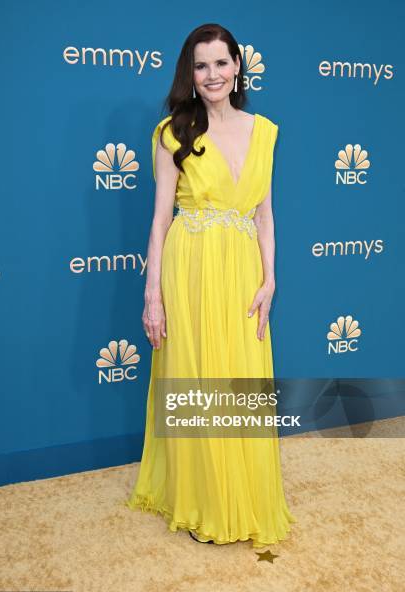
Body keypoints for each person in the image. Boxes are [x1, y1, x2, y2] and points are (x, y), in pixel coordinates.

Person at [125, 23, 297, 548]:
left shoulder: (264, 130)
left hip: (242, 269)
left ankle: (239, 495)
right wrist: (152, 295)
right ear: (190, 73)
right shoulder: (172, 132)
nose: (212, 75)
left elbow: (265, 215)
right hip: (192, 266)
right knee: (196, 377)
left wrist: (270, 280)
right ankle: (202, 501)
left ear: (238, 66)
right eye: (201, 66)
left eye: (221, 63)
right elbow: (158, 221)